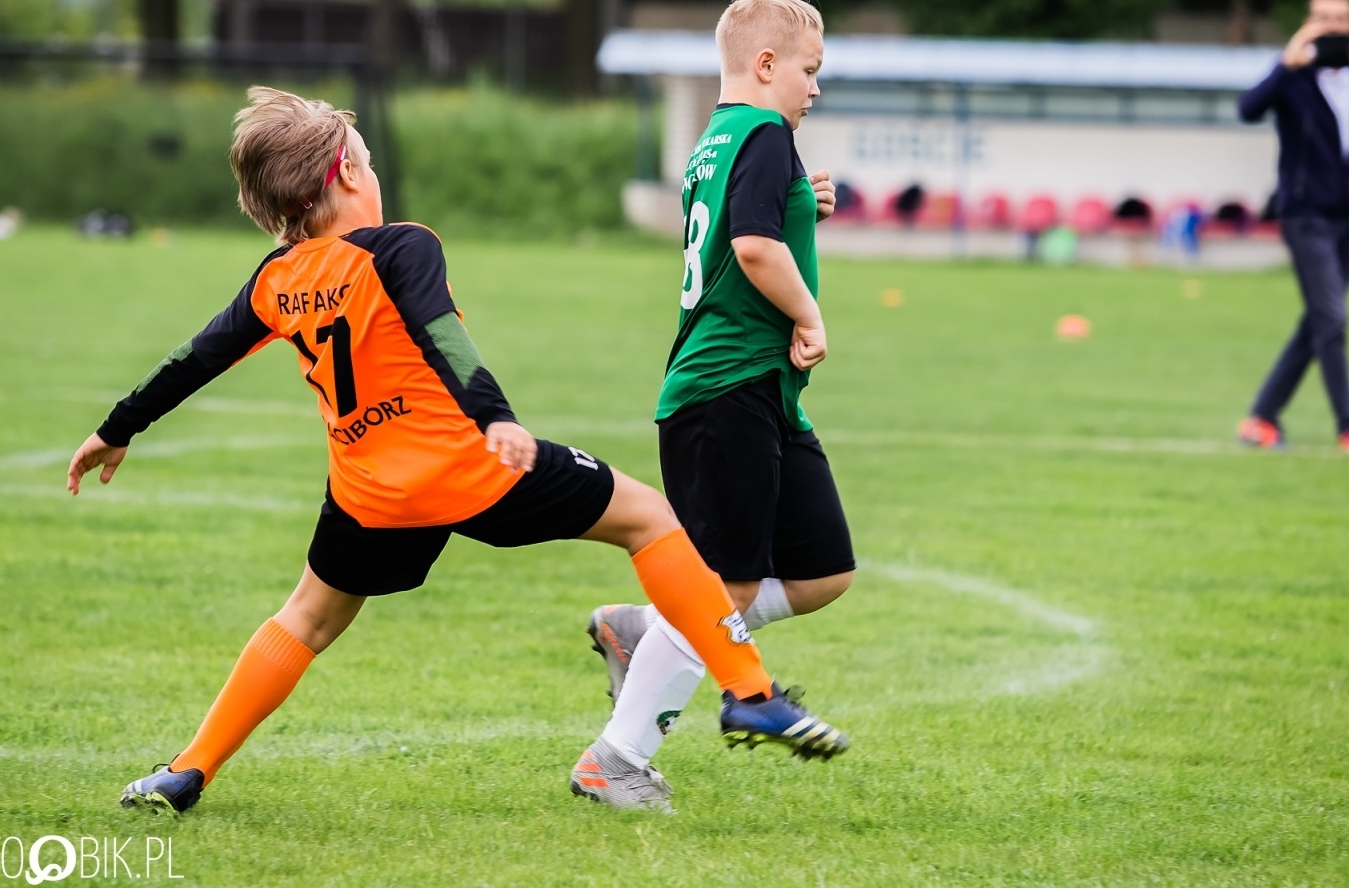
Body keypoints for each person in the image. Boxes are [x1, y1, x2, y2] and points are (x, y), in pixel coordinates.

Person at [66, 86, 846, 815]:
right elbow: (442, 332)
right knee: (648, 517)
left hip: (369, 492)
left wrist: (118, 425)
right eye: (366, 160)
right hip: (472, 467)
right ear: (344, 173)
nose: (372, 172)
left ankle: (188, 768)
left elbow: (194, 358)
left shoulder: (276, 278)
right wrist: (497, 417)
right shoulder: (400, 246)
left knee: (305, 618)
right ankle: (747, 687)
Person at [569, 0, 854, 813]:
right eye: (810, 68)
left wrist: (806, 204)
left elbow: (751, 231)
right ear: (767, 64)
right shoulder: (765, 132)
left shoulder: (718, 136)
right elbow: (756, 249)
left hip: (758, 393)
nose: (815, 85)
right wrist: (810, 316)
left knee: (823, 568)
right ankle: (614, 759)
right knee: (726, 583)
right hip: (725, 388)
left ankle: (647, 629)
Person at [1235, 0, 1349, 454]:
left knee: (1320, 322)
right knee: (1332, 318)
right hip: (1306, 217)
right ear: (1307, 24)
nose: (1333, 26)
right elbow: (1247, 110)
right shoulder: (1292, 79)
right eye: (1322, 18)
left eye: (1341, 18)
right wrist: (1285, 64)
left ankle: (1260, 419)